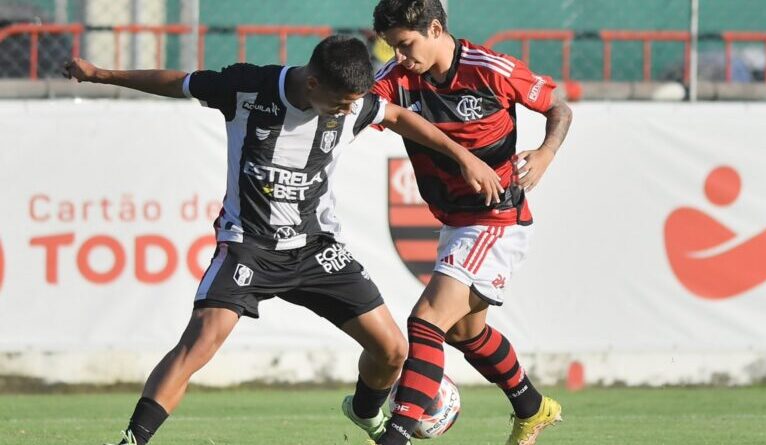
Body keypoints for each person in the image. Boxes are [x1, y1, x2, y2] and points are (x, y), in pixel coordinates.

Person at [63, 35, 504, 445]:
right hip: (249, 245)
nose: (346, 111)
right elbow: (177, 82)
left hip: (317, 248)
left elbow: (399, 116)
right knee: (200, 342)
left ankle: (367, 415)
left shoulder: (351, 106)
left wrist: (463, 156)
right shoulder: (246, 88)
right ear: (312, 82)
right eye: (339, 103)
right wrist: (101, 74)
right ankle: (132, 439)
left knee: (391, 351)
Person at [364, 1, 573, 444]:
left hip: (497, 217)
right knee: (465, 332)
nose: (400, 57)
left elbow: (560, 108)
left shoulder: (490, 69)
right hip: (455, 221)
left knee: (426, 321)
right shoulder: (397, 80)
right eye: (392, 48)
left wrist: (545, 153)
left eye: (405, 44)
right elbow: (357, 105)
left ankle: (396, 433)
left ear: (435, 28)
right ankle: (532, 408)